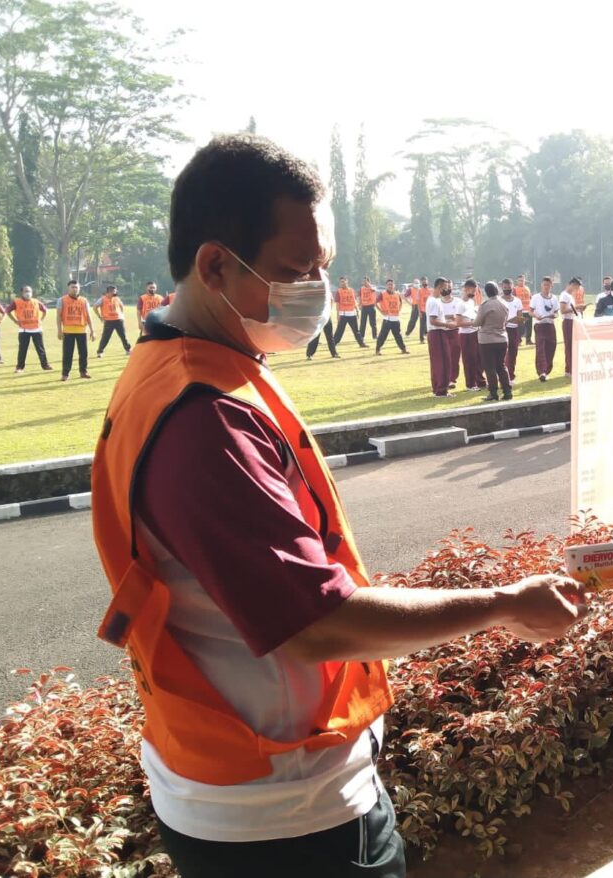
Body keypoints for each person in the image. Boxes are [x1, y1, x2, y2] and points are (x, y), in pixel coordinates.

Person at [90, 134, 585, 878]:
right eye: (294, 272)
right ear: (215, 264)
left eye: (322, 269)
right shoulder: (204, 417)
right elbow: (318, 625)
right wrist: (503, 604)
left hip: (255, 781)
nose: (315, 291)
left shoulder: (198, 363)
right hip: (282, 814)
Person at [476, 281, 512, 401]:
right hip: (502, 338)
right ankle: (507, 391)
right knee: (501, 366)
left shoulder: (485, 305)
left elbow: (477, 322)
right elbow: (506, 319)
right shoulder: (504, 303)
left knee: (489, 367)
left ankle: (493, 393)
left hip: (487, 340)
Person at [425, 278, 458, 397]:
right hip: (437, 333)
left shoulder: (433, 300)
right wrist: (447, 324)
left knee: (436, 363)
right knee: (444, 362)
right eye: (445, 287)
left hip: (435, 333)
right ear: (440, 287)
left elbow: (437, 316)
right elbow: (433, 320)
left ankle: (437, 388)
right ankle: (442, 390)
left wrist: (448, 318)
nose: (447, 289)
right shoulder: (434, 301)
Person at [57, 280, 95, 381]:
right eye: (72, 287)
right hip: (68, 331)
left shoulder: (84, 300)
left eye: (76, 287)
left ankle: (83, 371)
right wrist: (59, 330)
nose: (74, 289)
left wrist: (92, 330)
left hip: (82, 330)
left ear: (79, 288)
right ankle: (65, 374)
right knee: (67, 353)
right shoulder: (62, 300)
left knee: (83, 353)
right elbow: (58, 316)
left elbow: (89, 316)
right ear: (68, 288)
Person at [7, 285, 51, 372]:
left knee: (40, 348)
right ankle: (19, 367)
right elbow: (7, 311)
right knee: (23, 349)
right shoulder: (17, 302)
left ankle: (45, 365)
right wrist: (15, 321)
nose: (28, 293)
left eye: (29, 291)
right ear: (22, 293)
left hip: (36, 328)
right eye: (26, 291)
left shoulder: (36, 302)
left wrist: (41, 320)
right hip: (24, 329)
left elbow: (45, 310)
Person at [456, 280, 485, 391]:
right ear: (466, 289)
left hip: (475, 333)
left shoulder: (472, 302)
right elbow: (458, 323)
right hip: (466, 335)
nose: (474, 292)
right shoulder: (460, 304)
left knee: (479, 358)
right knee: (469, 360)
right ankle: (470, 384)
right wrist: (472, 323)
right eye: (473, 290)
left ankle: (480, 381)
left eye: (476, 290)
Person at [530, 276, 560, 381]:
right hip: (540, 325)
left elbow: (556, 312)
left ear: (552, 285)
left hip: (550, 325)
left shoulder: (554, 298)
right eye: (544, 285)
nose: (546, 287)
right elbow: (530, 311)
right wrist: (535, 315)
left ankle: (547, 370)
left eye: (548, 285)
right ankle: (541, 371)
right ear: (541, 285)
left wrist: (554, 316)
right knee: (541, 349)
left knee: (551, 348)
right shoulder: (535, 297)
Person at [95, 284, 132, 357]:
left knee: (123, 336)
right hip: (109, 321)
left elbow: (121, 306)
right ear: (109, 292)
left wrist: (122, 314)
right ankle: (100, 351)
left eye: (115, 291)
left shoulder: (117, 298)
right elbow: (95, 307)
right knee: (105, 337)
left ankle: (128, 349)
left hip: (118, 320)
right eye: (114, 291)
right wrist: (100, 316)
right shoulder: (102, 299)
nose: (115, 293)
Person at [374, 279, 409, 356]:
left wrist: (399, 310)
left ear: (394, 285)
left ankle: (403, 349)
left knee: (398, 336)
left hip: (396, 319)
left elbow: (400, 302)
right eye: (389, 284)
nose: (390, 286)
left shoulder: (397, 294)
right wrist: (381, 311)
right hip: (387, 319)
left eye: (391, 284)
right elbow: (375, 302)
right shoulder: (382, 294)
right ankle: (377, 350)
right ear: (386, 286)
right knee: (383, 336)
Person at [331, 276, 367, 349]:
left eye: (343, 281)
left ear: (347, 281)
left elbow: (354, 301)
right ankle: (333, 345)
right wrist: (338, 315)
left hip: (351, 313)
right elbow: (337, 304)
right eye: (341, 282)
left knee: (356, 330)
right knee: (339, 331)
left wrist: (357, 310)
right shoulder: (339, 291)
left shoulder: (351, 290)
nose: (342, 283)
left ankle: (361, 343)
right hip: (343, 314)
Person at [499, 278, 523, 380]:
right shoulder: (499, 300)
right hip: (502, 329)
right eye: (505, 288)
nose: (507, 289)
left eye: (509, 287)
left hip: (514, 329)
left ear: (512, 287)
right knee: (502, 354)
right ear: (501, 288)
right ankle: (502, 376)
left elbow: (520, 317)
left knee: (513, 353)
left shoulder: (517, 301)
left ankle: (511, 376)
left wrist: (518, 320)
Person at [558, 277, 582, 377]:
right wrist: (576, 308)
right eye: (577, 287)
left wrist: (578, 310)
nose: (577, 289)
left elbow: (572, 310)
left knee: (573, 346)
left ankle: (572, 368)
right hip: (568, 322)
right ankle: (569, 370)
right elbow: (563, 310)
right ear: (572, 285)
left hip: (573, 321)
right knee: (569, 346)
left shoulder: (570, 296)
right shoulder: (564, 295)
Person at [405, 277, 431, 343]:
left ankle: (425, 333)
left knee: (424, 322)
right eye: (415, 283)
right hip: (415, 306)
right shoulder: (411, 289)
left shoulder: (423, 289)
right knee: (413, 320)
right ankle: (408, 332)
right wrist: (410, 303)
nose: (417, 284)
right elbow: (405, 296)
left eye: (418, 283)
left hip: (424, 307)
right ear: (413, 283)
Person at [514, 274, 534, 346]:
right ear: (517, 281)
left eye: (523, 280)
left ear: (525, 281)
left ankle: (528, 340)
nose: (521, 282)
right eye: (520, 280)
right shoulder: (515, 289)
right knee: (520, 327)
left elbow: (530, 297)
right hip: (520, 311)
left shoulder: (527, 288)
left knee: (529, 326)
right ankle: (518, 341)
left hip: (528, 310)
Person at [358, 276, 378, 341]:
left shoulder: (372, 287)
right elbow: (360, 297)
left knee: (372, 323)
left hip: (371, 306)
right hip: (364, 307)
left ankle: (374, 336)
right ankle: (361, 336)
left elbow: (373, 290)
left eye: (365, 281)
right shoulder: (362, 288)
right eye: (363, 281)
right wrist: (360, 304)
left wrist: (368, 285)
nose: (364, 282)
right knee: (363, 322)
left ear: (369, 281)